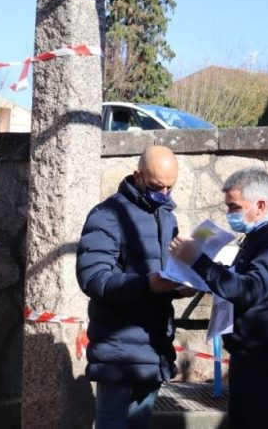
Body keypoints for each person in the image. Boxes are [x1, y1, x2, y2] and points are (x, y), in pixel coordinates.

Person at [169, 166, 268, 429]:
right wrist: (201, 282)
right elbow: (244, 283)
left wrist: (198, 260)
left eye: (234, 207)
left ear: (260, 205)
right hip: (249, 357)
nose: (229, 214)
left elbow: (249, 290)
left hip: (266, 362)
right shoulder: (258, 236)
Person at [76, 145, 192, 429]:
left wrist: (181, 286)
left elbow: (163, 273)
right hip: (118, 355)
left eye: (170, 188)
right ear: (137, 175)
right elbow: (93, 278)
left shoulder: (166, 215)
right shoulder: (107, 215)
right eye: (157, 186)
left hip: (154, 351)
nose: (164, 194)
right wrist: (147, 284)